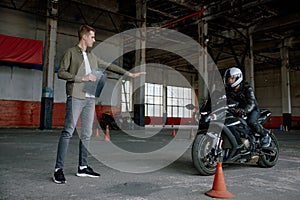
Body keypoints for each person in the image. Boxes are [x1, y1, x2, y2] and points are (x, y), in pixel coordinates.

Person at [53, 25, 145, 184]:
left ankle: (83, 167)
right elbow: (61, 72)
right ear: (84, 37)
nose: (94, 40)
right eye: (92, 37)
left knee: (87, 133)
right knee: (68, 131)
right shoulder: (71, 53)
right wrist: (83, 78)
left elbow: (109, 65)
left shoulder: (92, 57)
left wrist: (129, 73)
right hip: (75, 96)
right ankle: (58, 170)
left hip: (90, 98)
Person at [223, 67, 271, 148]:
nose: (229, 81)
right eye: (228, 79)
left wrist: (244, 110)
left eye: (232, 78)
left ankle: (265, 134)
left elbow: (251, 103)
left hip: (252, 110)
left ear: (238, 78)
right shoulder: (228, 90)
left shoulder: (247, 88)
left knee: (251, 122)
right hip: (237, 110)